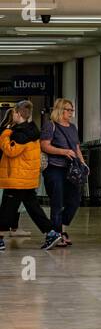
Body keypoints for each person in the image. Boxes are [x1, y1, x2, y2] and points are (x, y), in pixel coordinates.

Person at [0, 101, 61, 251]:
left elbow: (10, 150)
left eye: (13, 112)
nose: (12, 115)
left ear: (18, 114)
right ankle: (51, 233)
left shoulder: (21, 134)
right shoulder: (32, 130)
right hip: (26, 178)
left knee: (6, 210)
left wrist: (5, 133)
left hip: (17, 178)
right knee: (34, 208)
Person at [40, 98, 87, 246]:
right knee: (57, 201)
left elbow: (76, 147)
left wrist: (83, 164)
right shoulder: (50, 125)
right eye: (69, 109)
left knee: (75, 200)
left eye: (72, 110)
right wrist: (63, 151)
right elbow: (44, 146)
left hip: (71, 169)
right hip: (54, 168)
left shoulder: (72, 127)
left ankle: (61, 227)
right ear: (60, 110)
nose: (71, 112)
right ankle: (57, 233)